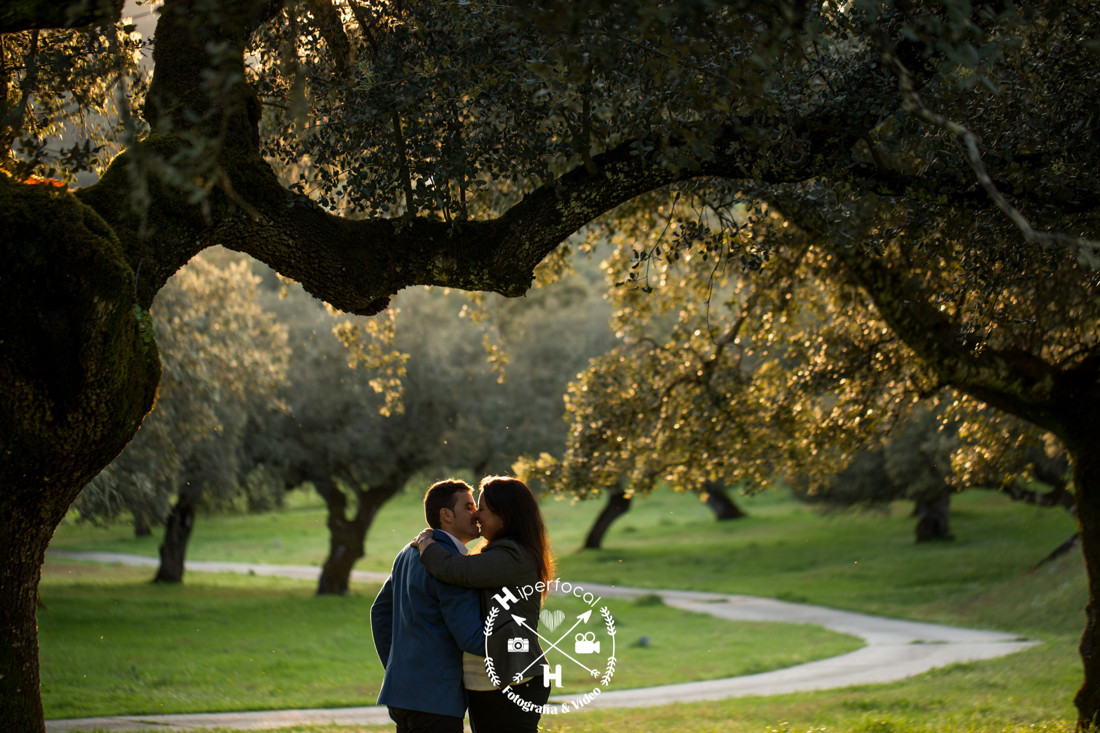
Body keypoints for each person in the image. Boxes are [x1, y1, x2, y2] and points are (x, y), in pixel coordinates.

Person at [413, 475, 556, 733]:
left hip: (513, 681)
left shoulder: (512, 555)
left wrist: (426, 542)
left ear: (505, 515)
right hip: (491, 683)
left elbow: (453, 570)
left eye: (483, 509)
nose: (477, 515)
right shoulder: (497, 551)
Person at [371, 479, 486, 733]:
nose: (476, 513)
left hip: (401, 692)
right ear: (446, 515)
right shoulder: (450, 563)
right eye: (468, 507)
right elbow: (470, 637)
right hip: (435, 698)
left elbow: (379, 613)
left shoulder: (408, 552)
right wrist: (517, 647)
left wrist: (398, 666)